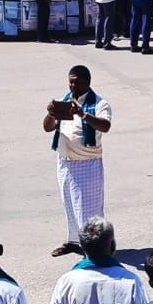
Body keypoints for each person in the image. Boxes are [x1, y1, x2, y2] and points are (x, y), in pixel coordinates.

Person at [43, 65, 112, 257]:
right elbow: (47, 128)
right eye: (70, 81)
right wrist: (51, 113)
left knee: (88, 210)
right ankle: (74, 241)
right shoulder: (65, 102)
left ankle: (97, 248)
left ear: (87, 82)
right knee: (70, 206)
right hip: (65, 162)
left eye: (77, 82)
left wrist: (83, 114)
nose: (72, 85)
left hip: (87, 163)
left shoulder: (99, 104)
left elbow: (105, 126)